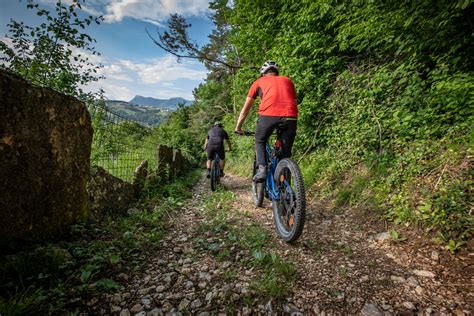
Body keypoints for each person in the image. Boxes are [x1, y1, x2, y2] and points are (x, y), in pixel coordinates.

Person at [235, 60, 298, 182]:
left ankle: (262, 169)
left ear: (263, 74)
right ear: (276, 72)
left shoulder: (258, 82)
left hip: (268, 115)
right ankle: (286, 189)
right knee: (285, 154)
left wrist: (238, 127)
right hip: (291, 116)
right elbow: (294, 103)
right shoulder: (288, 81)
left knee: (260, 139)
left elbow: (245, 109)